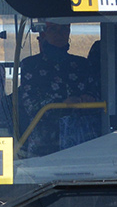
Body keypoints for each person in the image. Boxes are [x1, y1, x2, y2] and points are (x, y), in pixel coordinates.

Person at [16, 20, 101, 154]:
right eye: (53, 29)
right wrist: (63, 105)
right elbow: (30, 104)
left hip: (82, 142)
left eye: (64, 29)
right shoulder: (30, 65)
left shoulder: (82, 64)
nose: (59, 34)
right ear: (44, 33)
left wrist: (89, 98)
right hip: (45, 145)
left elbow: (97, 93)